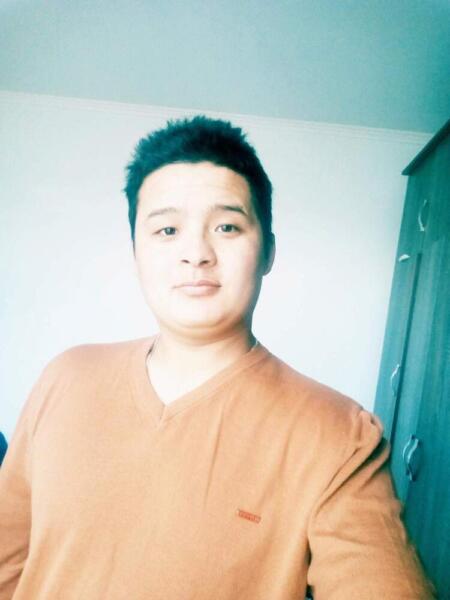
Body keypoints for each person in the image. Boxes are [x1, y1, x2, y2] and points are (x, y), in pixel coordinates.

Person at [0, 116, 436, 599]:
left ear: (268, 252)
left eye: (227, 226)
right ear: (135, 253)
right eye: (167, 229)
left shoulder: (338, 433)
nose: (196, 253)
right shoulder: (65, 378)